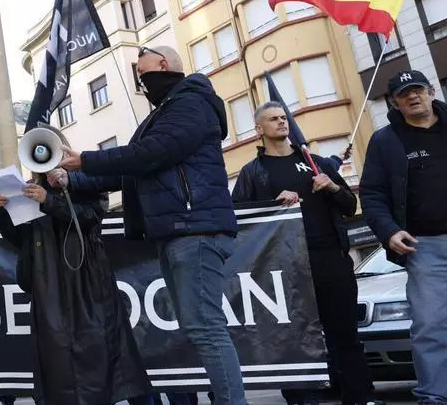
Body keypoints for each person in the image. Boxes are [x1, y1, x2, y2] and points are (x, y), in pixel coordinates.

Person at [47, 45, 245, 405]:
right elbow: (131, 169)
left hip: (194, 229)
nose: (141, 81)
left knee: (205, 327)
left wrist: (85, 162)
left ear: (164, 65)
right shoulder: (166, 112)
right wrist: (71, 180)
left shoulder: (191, 103)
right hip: (179, 231)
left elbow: (150, 154)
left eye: (143, 73)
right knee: (201, 327)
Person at [232, 102, 375, 405]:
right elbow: (237, 219)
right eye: (273, 119)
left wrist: (333, 187)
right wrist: (271, 203)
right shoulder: (252, 172)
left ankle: (361, 398)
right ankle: (303, 400)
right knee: (292, 339)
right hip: (282, 267)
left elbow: (351, 206)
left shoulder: (316, 162)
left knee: (345, 335)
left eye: (284, 118)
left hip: (329, 259)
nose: (282, 123)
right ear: (259, 129)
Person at [0, 175, 151, 404]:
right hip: (47, 285)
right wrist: (0, 211)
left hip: (87, 283)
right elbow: (20, 239)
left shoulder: (84, 182)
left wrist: (49, 200)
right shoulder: (27, 190)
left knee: (96, 359)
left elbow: (90, 217)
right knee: (57, 363)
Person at [361, 70, 447, 404]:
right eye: (404, 93)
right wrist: (389, 231)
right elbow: (372, 195)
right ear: (395, 102)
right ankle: (436, 397)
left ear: (429, 92)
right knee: (430, 326)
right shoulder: (385, 141)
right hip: (425, 248)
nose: (412, 97)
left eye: (417, 90)